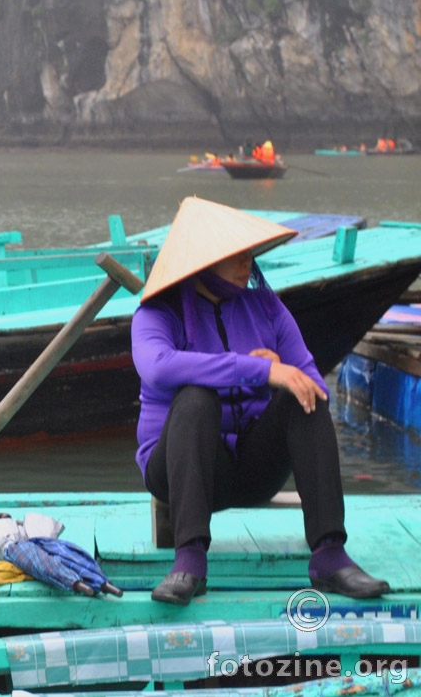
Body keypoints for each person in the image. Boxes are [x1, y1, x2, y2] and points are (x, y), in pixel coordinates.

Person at [132, 196, 389, 606]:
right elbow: (159, 368)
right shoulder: (156, 315)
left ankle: (329, 554)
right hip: (178, 472)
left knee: (305, 396)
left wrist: (279, 381)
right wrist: (259, 371)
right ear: (201, 260)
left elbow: (309, 381)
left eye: (249, 253)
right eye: (234, 255)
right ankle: (190, 561)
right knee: (196, 398)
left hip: (254, 471)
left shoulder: (267, 308)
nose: (246, 263)